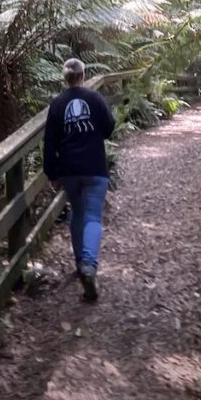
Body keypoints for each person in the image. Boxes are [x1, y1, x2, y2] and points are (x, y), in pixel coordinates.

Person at [43, 57, 115, 301]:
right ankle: (89, 263)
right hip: (94, 167)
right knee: (93, 215)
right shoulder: (94, 99)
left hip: (69, 171)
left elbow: (50, 142)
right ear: (83, 75)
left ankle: (79, 263)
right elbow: (108, 128)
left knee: (77, 213)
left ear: (65, 77)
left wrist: (51, 173)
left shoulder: (58, 104)